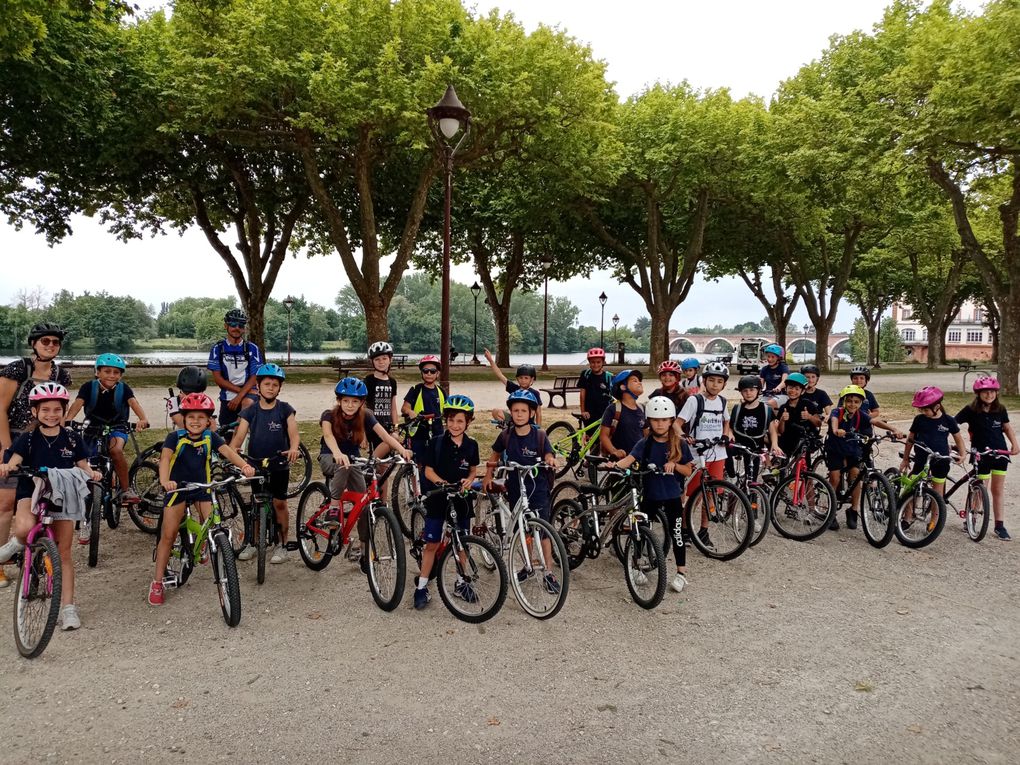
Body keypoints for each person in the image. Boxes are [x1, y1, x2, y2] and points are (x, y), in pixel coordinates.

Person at [0, 383, 100, 629]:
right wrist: (7, 467)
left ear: (64, 411)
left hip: (63, 494)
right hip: (31, 490)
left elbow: (82, 463)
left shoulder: (72, 438)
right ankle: (15, 544)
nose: (51, 414)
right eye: (45, 410)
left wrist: (91, 473)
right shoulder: (28, 438)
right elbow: (15, 460)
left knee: (64, 553)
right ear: (35, 412)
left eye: (57, 409)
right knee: (24, 528)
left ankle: (68, 608)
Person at [149, 393, 255, 606]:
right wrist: (165, 480)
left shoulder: (210, 437)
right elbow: (165, 459)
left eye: (201, 417)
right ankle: (157, 581)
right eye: (191, 417)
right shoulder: (175, 438)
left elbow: (227, 452)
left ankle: (208, 544)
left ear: (209, 421)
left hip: (202, 487)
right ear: (184, 419)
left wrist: (243, 465)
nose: (196, 421)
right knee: (168, 536)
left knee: (213, 524)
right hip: (177, 488)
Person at [0, 322, 72, 590]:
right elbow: (0, 408)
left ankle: (36, 548)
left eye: (55, 342)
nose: (51, 345)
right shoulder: (18, 368)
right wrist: (6, 449)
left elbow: (60, 413)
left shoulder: (60, 374)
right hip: (12, 436)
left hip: (44, 440)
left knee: (44, 498)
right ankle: (1, 562)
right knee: (6, 504)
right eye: (45, 341)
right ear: (34, 343)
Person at [322, 378, 412, 567]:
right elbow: (328, 436)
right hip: (330, 457)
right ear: (339, 400)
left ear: (362, 402)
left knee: (364, 504)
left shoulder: (366, 415)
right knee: (343, 465)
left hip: (353, 461)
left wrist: (401, 449)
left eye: (355, 401)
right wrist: (338, 453)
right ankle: (334, 505)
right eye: (346, 400)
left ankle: (364, 549)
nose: (350, 405)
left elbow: (384, 435)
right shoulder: (329, 415)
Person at [607, 396, 694, 593]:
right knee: (640, 530)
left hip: (672, 496)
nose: (660, 424)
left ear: (671, 420)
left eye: (664, 419)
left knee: (677, 533)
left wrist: (675, 465)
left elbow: (688, 470)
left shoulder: (679, 443)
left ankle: (681, 573)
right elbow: (629, 459)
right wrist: (613, 465)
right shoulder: (644, 443)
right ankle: (638, 565)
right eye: (655, 420)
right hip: (650, 496)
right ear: (649, 421)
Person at [483, 389, 560, 594]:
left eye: (523, 411)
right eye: (515, 410)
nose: (519, 414)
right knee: (523, 530)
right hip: (516, 489)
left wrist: (551, 460)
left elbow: (549, 453)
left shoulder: (540, 435)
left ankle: (549, 573)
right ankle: (527, 564)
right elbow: (494, 454)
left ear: (531, 413)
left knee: (543, 531)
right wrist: (488, 475)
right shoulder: (506, 435)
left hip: (539, 489)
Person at [413, 395, 479, 610]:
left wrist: (470, 481)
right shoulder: (436, 442)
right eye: (451, 420)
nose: (455, 425)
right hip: (439, 497)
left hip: (461, 499)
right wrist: (440, 482)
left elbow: (472, 470)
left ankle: (461, 582)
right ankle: (422, 586)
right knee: (432, 544)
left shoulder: (472, 445)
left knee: (462, 542)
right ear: (445, 420)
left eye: (460, 421)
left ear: (468, 422)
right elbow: (428, 470)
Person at [230, 364, 299, 564]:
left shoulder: (285, 409)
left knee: (279, 503)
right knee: (257, 504)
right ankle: (254, 542)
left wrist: (293, 448)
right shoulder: (250, 411)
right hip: (255, 465)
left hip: (279, 463)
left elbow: (294, 435)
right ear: (258, 387)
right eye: (266, 384)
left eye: (275, 385)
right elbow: (239, 435)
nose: (270, 388)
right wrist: (234, 449)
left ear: (280, 388)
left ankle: (283, 544)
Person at [64, 353, 150, 505]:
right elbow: (77, 404)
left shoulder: (124, 389)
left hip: (117, 426)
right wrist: (67, 421)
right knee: (86, 459)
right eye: (107, 371)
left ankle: (125, 489)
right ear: (98, 372)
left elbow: (134, 403)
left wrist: (142, 419)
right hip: (92, 427)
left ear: (121, 375)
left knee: (116, 451)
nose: (112, 375)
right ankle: (84, 489)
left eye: (116, 372)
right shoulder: (88, 387)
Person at [955, 377, 1020, 541]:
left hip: (1000, 454)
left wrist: (1014, 443)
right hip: (980, 455)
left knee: (997, 490)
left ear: (996, 393)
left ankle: (999, 525)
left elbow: (1006, 428)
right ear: (978, 394)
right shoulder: (970, 410)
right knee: (980, 489)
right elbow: (953, 424)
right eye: (985, 392)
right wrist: (957, 444)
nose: (989, 394)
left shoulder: (1000, 409)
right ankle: (972, 518)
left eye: (992, 391)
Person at [675, 361, 732, 548]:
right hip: (696, 454)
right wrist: (683, 436)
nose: (715, 385)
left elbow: (726, 422)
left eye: (719, 381)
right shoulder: (695, 400)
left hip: (717, 453)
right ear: (704, 381)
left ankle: (703, 530)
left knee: (711, 493)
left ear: (724, 384)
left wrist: (726, 434)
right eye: (712, 380)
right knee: (693, 495)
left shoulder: (722, 401)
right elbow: (677, 423)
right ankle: (684, 530)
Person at [899, 387, 965, 530]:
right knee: (911, 486)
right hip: (922, 458)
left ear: (937, 406)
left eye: (926, 410)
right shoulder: (919, 420)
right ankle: (908, 516)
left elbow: (958, 438)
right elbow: (910, 439)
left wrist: (963, 454)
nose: (923, 413)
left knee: (937, 491)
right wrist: (905, 459)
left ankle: (934, 519)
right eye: (921, 410)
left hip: (941, 460)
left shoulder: (948, 420)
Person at [823, 385, 872, 531]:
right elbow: (833, 421)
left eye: (856, 401)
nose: (852, 404)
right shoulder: (837, 411)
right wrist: (836, 430)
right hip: (835, 449)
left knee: (856, 475)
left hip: (852, 449)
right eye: (849, 401)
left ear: (861, 403)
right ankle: (830, 511)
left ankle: (854, 510)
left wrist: (893, 430)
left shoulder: (861, 415)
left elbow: (874, 421)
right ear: (844, 401)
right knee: (835, 477)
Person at [207, 308, 263, 428]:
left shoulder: (252, 349)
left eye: (241, 325)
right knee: (226, 433)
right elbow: (218, 379)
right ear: (225, 326)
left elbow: (255, 377)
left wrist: (240, 396)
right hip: (228, 396)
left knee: (246, 407)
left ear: (245, 328)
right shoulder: (217, 349)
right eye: (233, 324)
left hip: (249, 395)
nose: (237, 328)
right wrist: (240, 393)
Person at [401, 355, 446, 465]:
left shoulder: (441, 391)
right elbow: (404, 408)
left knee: (436, 460)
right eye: (426, 371)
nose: (429, 374)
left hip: (437, 431)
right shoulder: (416, 389)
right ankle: (416, 481)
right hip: (418, 432)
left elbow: (447, 410)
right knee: (417, 462)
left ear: (437, 373)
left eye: (432, 371)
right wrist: (410, 412)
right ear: (422, 373)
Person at [728, 375, 772, 480]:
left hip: (755, 446)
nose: (748, 393)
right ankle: (731, 476)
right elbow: (730, 426)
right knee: (724, 450)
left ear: (759, 391)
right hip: (739, 443)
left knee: (751, 477)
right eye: (745, 390)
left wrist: (774, 444)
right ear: (741, 392)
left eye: (752, 390)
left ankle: (751, 493)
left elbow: (772, 429)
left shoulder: (765, 409)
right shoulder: (737, 408)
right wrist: (729, 433)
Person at [769, 372, 821, 459]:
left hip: (805, 438)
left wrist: (809, 417)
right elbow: (781, 431)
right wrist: (782, 420)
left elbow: (818, 423)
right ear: (785, 389)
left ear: (803, 391)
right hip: (789, 439)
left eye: (797, 389)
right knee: (782, 463)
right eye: (790, 388)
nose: (793, 391)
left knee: (804, 465)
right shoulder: (783, 407)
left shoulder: (808, 404)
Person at [483, 350, 543, 424]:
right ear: (517, 379)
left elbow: (538, 413)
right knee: (496, 411)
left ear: (532, 379)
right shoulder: (514, 388)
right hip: (514, 419)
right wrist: (490, 360)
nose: (523, 380)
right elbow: (500, 375)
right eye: (521, 378)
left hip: (528, 423)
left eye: (526, 378)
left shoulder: (535, 393)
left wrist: (538, 429)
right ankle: (508, 428)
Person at [600, 369, 647, 459]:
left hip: (638, 459)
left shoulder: (642, 409)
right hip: (621, 459)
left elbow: (647, 435)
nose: (640, 383)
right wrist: (614, 451)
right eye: (635, 380)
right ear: (623, 387)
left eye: (640, 381)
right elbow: (603, 435)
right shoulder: (614, 409)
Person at [364, 342, 399, 455]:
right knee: (379, 462)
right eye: (377, 359)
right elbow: (362, 407)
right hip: (372, 426)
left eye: (384, 358)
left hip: (387, 425)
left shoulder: (392, 382)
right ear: (372, 362)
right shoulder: (368, 380)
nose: (381, 362)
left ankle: (372, 466)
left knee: (385, 464)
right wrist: (362, 433)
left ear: (390, 359)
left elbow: (393, 408)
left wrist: (396, 428)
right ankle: (371, 464)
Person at [578, 348, 613, 424]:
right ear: (589, 362)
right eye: (592, 362)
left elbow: (613, 396)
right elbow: (582, 394)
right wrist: (583, 411)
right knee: (589, 435)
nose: (595, 365)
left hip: (604, 413)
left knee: (605, 435)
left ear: (603, 362)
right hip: (589, 413)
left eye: (598, 362)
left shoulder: (609, 377)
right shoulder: (585, 375)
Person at [759, 344, 788, 410]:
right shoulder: (764, 369)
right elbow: (761, 383)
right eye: (768, 356)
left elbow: (785, 381)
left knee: (770, 403)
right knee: (757, 405)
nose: (769, 359)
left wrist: (779, 387)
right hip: (768, 395)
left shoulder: (783, 368)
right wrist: (758, 389)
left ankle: (776, 419)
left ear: (779, 358)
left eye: (773, 357)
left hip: (781, 395)